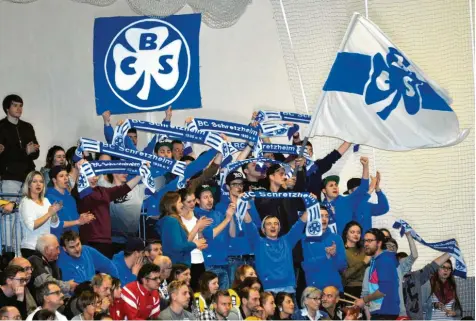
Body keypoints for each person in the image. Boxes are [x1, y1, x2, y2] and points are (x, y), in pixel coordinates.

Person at [72, 159, 142, 258]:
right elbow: (77, 188)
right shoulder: (81, 191)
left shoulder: (103, 190)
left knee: (106, 273)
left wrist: (140, 176)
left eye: (96, 174)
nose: (95, 177)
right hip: (90, 240)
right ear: (84, 175)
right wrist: (79, 172)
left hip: (106, 240)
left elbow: (124, 189)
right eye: (91, 174)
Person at [0, 94, 40, 254]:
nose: (19, 109)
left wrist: (30, 151)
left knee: (25, 212)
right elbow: (5, 155)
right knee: (8, 212)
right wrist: (25, 151)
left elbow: (36, 152)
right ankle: (9, 251)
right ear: (7, 108)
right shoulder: (1, 127)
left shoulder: (27, 127)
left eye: (21, 105)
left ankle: (23, 249)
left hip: (26, 176)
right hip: (9, 176)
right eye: (15, 105)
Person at [242, 207, 309, 295]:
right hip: (267, 290)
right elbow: (249, 224)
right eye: (269, 224)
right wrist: (243, 207)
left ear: (279, 227)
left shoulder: (287, 240)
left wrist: (310, 206)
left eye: (276, 223)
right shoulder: (258, 242)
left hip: (288, 289)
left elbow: (300, 224)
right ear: (263, 229)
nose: (273, 226)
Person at [215, 172, 261, 286]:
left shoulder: (249, 203)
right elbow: (223, 233)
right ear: (227, 187)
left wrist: (248, 207)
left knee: (253, 290)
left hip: (251, 254)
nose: (239, 187)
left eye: (241, 184)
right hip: (233, 255)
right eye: (235, 184)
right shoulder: (221, 206)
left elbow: (258, 226)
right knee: (234, 291)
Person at [195, 184, 236, 290]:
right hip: (210, 264)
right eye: (205, 197)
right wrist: (227, 219)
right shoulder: (198, 215)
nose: (209, 200)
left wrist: (231, 217)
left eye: (211, 196)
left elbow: (232, 234)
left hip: (225, 261)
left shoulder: (218, 213)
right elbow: (211, 234)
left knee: (225, 297)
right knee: (212, 297)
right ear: (198, 201)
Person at [353, 228, 400, 319]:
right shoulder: (376, 260)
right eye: (365, 241)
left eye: (370, 241)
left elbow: (383, 290)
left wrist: (364, 300)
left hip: (385, 312)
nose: (366, 244)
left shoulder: (384, 260)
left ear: (379, 243)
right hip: (379, 311)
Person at [301, 206, 347, 291]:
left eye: (326, 216)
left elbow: (342, 266)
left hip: (334, 289)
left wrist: (334, 255)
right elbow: (305, 266)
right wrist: (326, 257)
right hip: (314, 290)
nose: (324, 219)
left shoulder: (337, 238)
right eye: (321, 216)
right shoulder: (304, 239)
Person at [321, 156, 370, 235]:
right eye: (331, 185)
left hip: (348, 245)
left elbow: (363, 188)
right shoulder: (320, 207)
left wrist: (365, 166)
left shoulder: (347, 201)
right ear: (324, 190)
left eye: (336, 185)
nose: (334, 187)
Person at [155, 192, 207, 265]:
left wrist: (195, 245)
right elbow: (177, 246)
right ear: (172, 204)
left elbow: (177, 244)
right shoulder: (171, 221)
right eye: (179, 202)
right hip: (178, 265)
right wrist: (194, 244)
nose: (182, 204)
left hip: (178, 264)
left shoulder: (169, 220)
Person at [19, 171, 62, 258]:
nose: (38, 184)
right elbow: (32, 226)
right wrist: (49, 214)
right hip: (31, 247)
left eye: (41, 181)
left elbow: (55, 224)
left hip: (46, 248)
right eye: (34, 181)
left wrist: (54, 213)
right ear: (29, 185)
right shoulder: (26, 202)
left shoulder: (45, 200)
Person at [46, 166, 95, 240]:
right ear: (54, 180)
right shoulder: (49, 197)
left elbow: (75, 221)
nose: (66, 178)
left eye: (66, 175)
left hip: (74, 239)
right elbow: (56, 224)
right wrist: (78, 221)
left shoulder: (71, 198)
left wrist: (83, 218)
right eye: (61, 176)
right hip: (59, 240)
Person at [400, 252, 451, 320]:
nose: (446, 270)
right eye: (443, 267)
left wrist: (455, 313)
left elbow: (458, 310)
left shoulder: (453, 287)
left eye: (449, 268)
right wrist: (434, 305)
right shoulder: (426, 282)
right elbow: (422, 305)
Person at [178, 188, 211, 290]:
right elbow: (185, 243)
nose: (193, 204)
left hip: (200, 260)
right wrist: (197, 227)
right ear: (181, 203)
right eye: (189, 201)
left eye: (193, 200)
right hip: (185, 261)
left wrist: (200, 232)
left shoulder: (196, 216)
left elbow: (200, 239)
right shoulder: (177, 219)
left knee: (199, 291)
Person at [28, 234, 77, 298]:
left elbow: (59, 290)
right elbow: (46, 283)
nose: (59, 252)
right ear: (46, 250)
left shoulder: (52, 263)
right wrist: (68, 285)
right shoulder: (34, 260)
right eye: (56, 248)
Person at [341, 221, 370, 298]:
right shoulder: (342, 251)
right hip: (351, 290)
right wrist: (363, 262)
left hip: (368, 288)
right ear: (346, 234)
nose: (356, 234)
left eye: (358, 232)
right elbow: (345, 275)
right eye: (352, 232)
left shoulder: (365, 250)